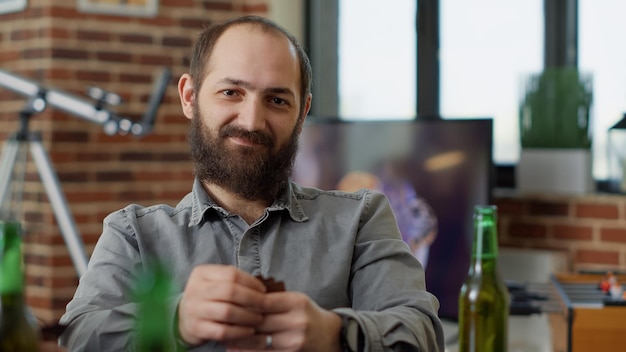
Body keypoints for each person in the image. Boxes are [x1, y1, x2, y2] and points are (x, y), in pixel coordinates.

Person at [59, 15, 445, 351]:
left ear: (302, 111)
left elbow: (424, 333)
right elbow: (78, 337)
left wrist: (336, 333)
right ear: (189, 96)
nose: (252, 121)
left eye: (277, 100)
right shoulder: (133, 233)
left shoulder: (362, 218)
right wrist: (174, 320)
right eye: (231, 92)